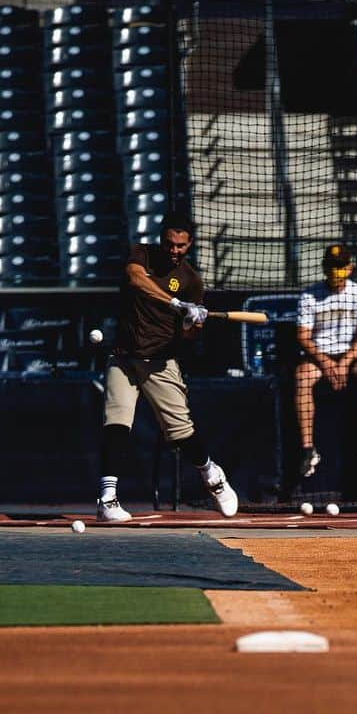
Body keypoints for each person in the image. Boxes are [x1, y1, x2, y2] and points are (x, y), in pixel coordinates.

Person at [96, 213, 237, 522]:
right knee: (116, 423)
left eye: (181, 246)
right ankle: (107, 499)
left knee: (181, 434)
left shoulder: (191, 280)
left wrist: (191, 322)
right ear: (162, 239)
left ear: (190, 244)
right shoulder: (141, 254)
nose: (174, 250)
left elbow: (189, 335)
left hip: (160, 362)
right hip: (124, 357)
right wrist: (175, 304)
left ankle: (212, 474)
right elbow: (135, 279)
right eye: (170, 244)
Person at [295, 243, 357, 480]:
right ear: (324, 268)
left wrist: (344, 362)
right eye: (331, 266)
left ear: (350, 268)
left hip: (351, 355)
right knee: (302, 377)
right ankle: (308, 449)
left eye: (340, 266)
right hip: (319, 356)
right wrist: (326, 362)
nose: (336, 271)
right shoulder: (309, 296)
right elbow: (303, 336)